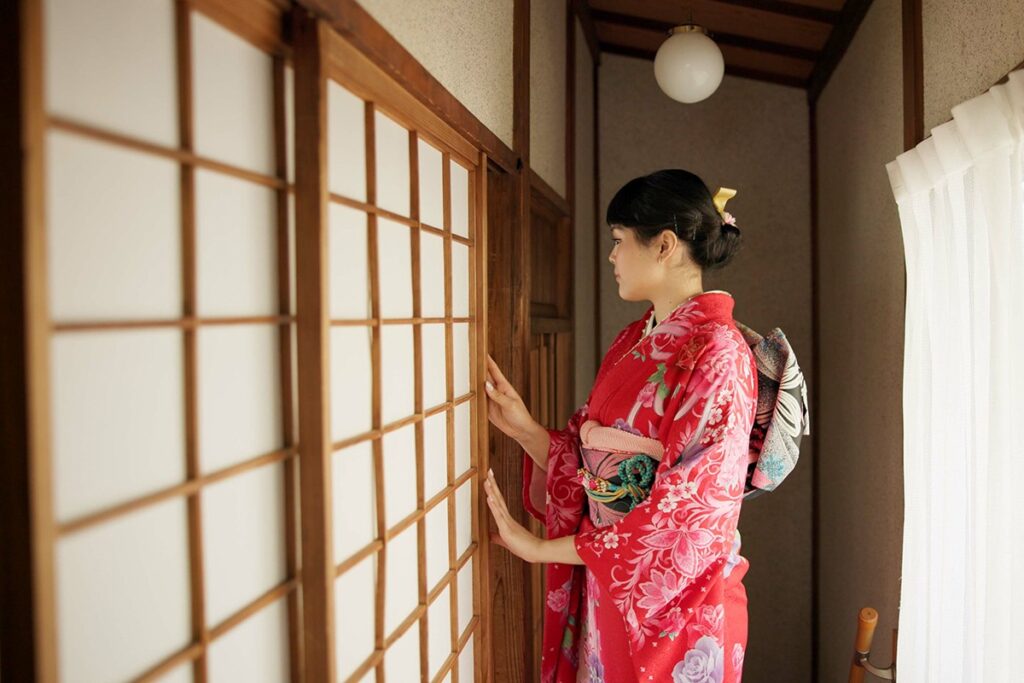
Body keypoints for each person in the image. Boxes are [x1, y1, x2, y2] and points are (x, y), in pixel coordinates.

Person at [483, 169, 766, 683]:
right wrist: (525, 428)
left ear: (664, 245)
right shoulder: (633, 338)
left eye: (618, 241)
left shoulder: (720, 354)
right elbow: (592, 461)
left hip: (678, 603)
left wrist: (540, 549)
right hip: (611, 577)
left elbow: (688, 517)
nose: (612, 256)